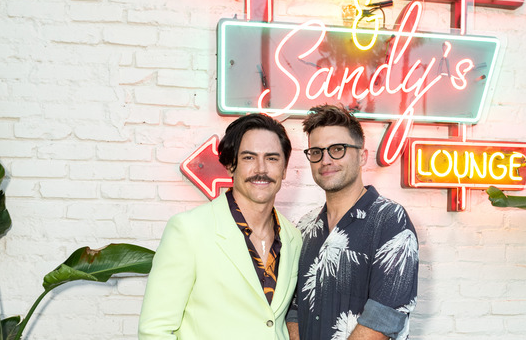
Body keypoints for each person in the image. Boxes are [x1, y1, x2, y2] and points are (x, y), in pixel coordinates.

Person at [139, 113, 302, 340]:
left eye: (272, 158)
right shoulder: (188, 230)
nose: (261, 168)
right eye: (248, 158)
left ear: (284, 169)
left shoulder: (294, 236)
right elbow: (155, 330)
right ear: (230, 166)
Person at [287, 105, 419, 340]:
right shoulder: (305, 227)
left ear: (362, 156)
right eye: (316, 151)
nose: (325, 160)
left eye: (338, 149)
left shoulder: (390, 220)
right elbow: (294, 309)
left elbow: (383, 318)